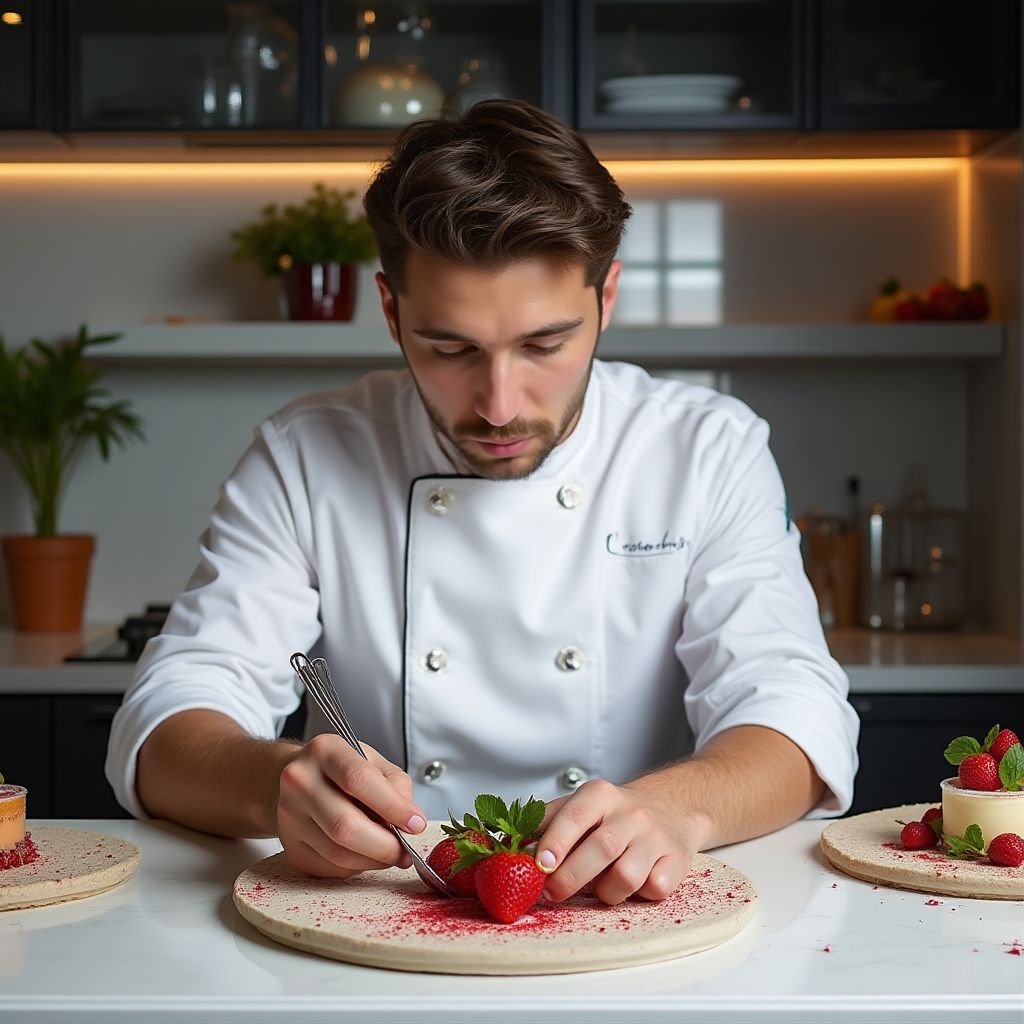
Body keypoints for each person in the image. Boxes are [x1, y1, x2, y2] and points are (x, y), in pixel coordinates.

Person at [106, 99, 859, 907]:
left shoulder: (706, 449)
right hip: (373, 920)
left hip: (632, 914)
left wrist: (675, 809)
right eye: (450, 348)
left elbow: (794, 710)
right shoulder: (304, 454)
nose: (500, 403)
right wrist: (278, 783)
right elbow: (170, 718)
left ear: (607, 298)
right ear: (391, 312)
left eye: (544, 345)